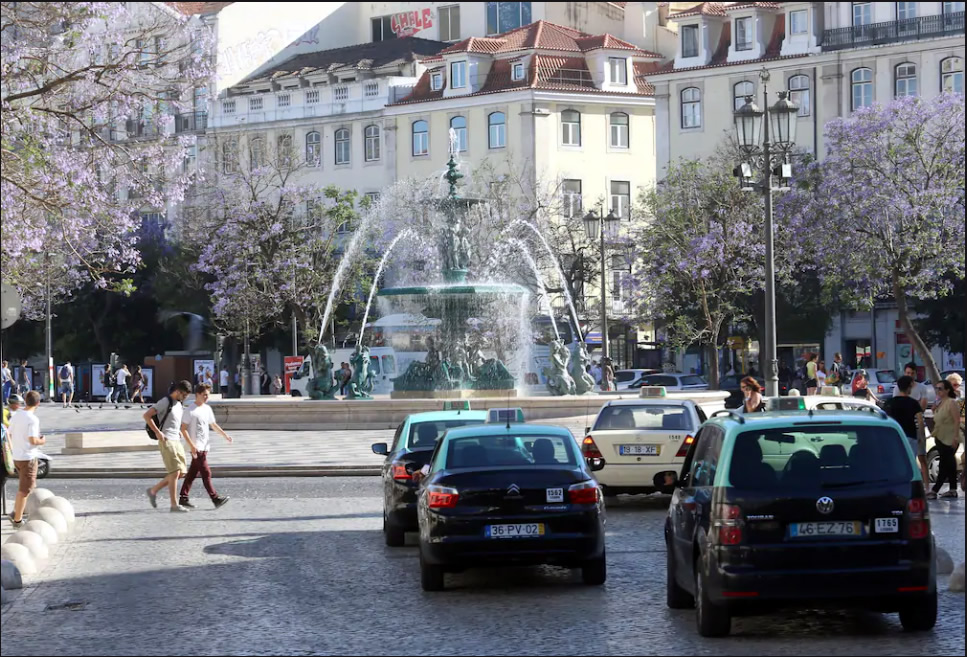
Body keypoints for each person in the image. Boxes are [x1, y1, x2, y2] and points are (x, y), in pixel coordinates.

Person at [144, 380, 196, 512]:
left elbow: (173, 420)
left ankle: (153, 490)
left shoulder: (179, 404)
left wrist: (178, 429)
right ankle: (174, 505)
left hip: (176, 440)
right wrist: (158, 432)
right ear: (177, 391)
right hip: (166, 439)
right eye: (184, 395)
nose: (185, 398)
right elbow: (147, 415)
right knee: (174, 472)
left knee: (182, 472)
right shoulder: (165, 401)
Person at [179, 383, 232, 509]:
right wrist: (191, 445)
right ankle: (215, 498)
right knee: (206, 473)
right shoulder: (190, 410)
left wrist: (225, 435)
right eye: (204, 395)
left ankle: (183, 497)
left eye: (208, 395)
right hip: (196, 447)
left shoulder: (207, 409)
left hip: (204, 446)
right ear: (197, 394)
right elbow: (183, 429)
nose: (206, 397)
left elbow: (213, 425)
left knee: (192, 473)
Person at [8, 391, 46, 527]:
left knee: (23, 487)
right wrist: (42, 441)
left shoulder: (17, 415)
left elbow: (9, 432)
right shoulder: (32, 419)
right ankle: (17, 519)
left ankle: (16, 512)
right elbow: (33, 439)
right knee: (25, 490)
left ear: (25, 400)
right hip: (28, 457)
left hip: (17, 456)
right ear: (38, 403)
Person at [884, 375, 929, 484]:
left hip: (894, 437)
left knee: (895, 462)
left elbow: (885, 420)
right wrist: (922, 437)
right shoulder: (913, 403)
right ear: (909, 387)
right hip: (910, 436)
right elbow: (920, 421)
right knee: (910, 463)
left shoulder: (889, 403)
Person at [928, 379, 960, 499]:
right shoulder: (940, 402)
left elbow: (957, 420)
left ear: (947, 390)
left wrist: (956, 437)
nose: (938, 391)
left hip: (950, 437)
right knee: (950, 464)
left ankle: (935, 489)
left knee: (944, 464)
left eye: (940, 388)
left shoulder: (951, 402)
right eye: (936, 388)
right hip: (940, 436)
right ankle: (952, 489)